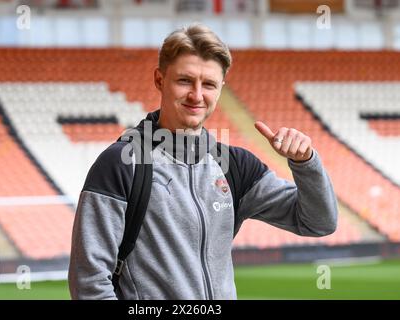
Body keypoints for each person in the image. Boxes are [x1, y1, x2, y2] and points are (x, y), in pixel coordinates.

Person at [68, 24, 338, 300]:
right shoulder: (121, 163)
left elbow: (318, 222)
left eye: (208, 84)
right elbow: (89, 282)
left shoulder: (235, 166)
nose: (197, 95)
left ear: (221, 87)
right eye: (185, 80)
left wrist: (305, 163)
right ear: (160, 80)